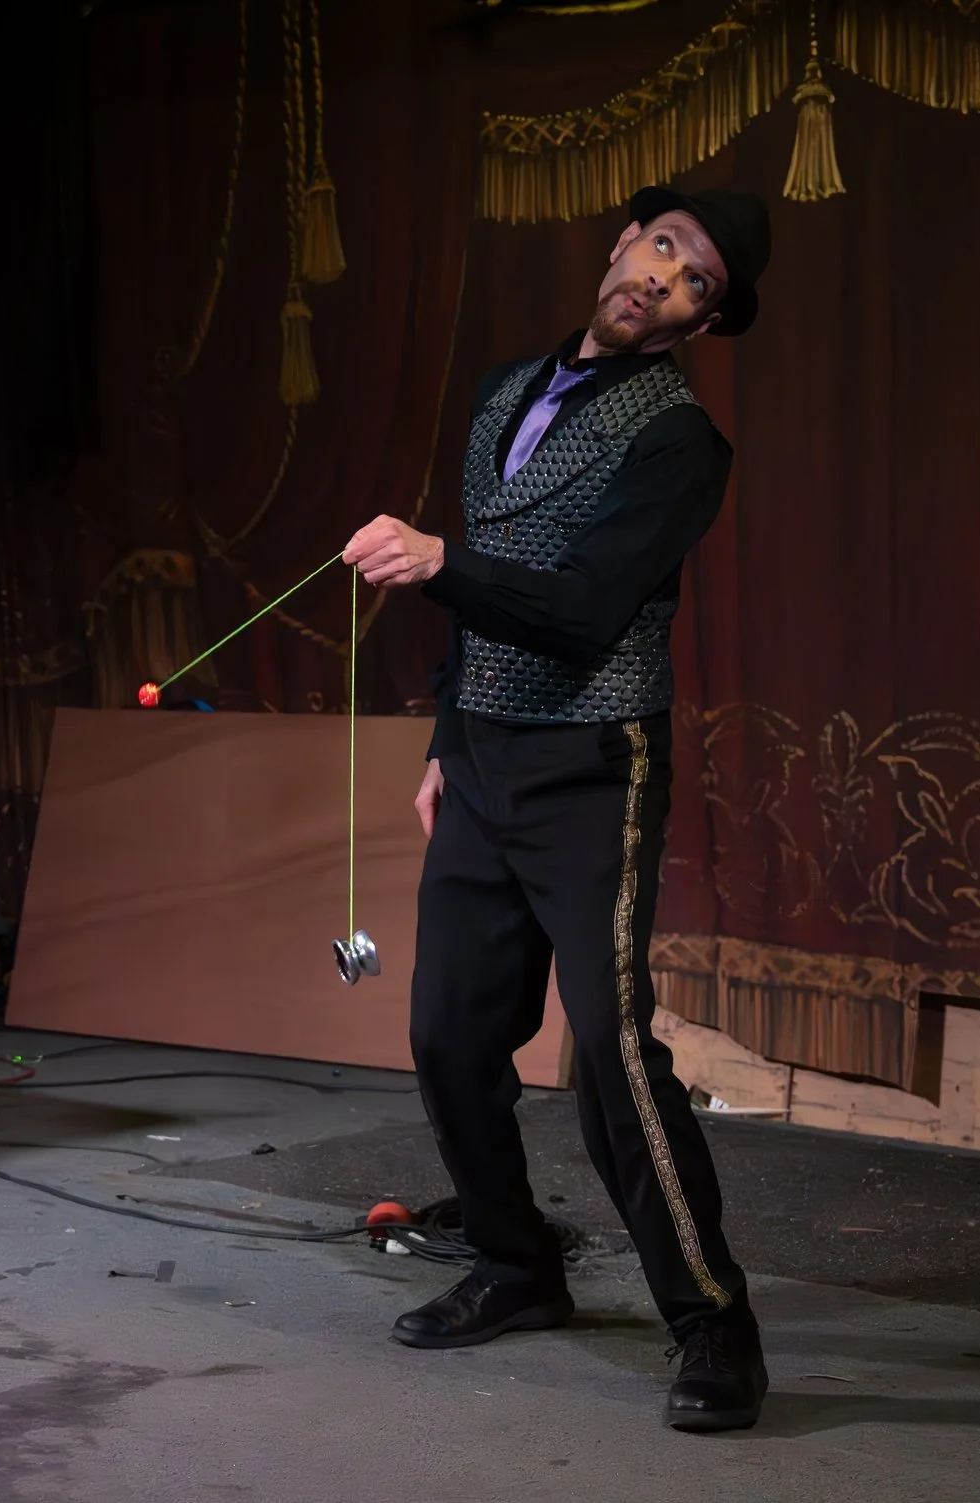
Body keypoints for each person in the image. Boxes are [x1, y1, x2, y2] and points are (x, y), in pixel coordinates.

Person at [342, 184, 769, 1433]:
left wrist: (436, 561)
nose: (667, 281)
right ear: (620, 244)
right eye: (664, 248)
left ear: (698, 324)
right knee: (447, 1035)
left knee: (611, 1057)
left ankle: (712, 1321)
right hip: (480, 755)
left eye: (697, 285)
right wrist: (443, 734)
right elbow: (495, 593)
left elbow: (584, 607)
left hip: (594, 766)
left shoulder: (680, 442)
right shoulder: (498, 393)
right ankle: (518, 1265)